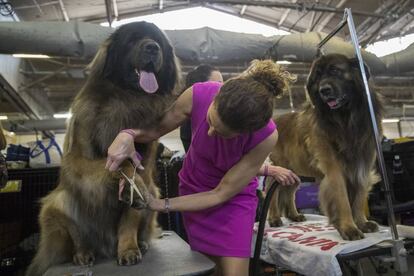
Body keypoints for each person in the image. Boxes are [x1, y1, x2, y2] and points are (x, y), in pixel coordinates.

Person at [106, 60, 300, 276]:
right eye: (210, 121)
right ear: (216, 97)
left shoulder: (266, 137)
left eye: (222, 134)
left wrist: (158, 204)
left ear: (246, 132)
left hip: (232, 201)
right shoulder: (198, 93)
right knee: (208, 268)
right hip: (194, 190)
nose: (210, 133)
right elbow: (156, 129)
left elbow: (221, 193)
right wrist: (128, 134)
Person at [180, 64, 223, 152]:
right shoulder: (189, 126)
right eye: (218, 84)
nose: (222, 89)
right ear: (201, 89)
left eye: (222, 84)